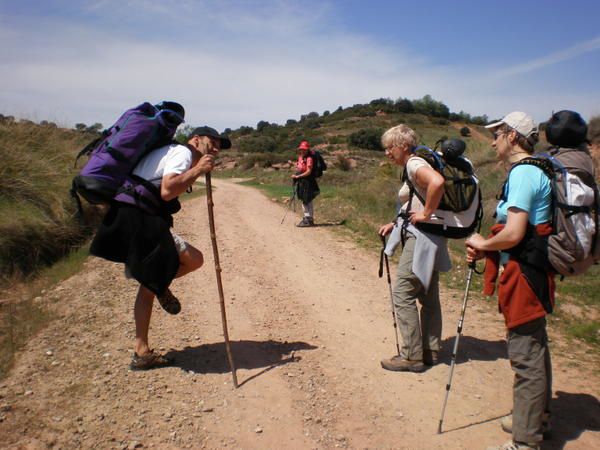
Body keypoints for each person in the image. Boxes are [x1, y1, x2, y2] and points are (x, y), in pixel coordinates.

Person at [90, 126, 231, 370]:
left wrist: (197, 170)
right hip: (138, 217)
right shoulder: (182, 153)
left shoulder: (176, 153)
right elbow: (167, 191)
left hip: (132, 215)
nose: (217, 148)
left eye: (220, 145)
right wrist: (198, 169)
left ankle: (142, 348)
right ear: (196, 139)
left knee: (153, 283)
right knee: (193, 260)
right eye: (213, 142)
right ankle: (158, 287)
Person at [465, 112, 553, 450]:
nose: (492, 140)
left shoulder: (525, 174)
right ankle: (536, 418)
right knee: (535, 346)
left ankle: (525, 441)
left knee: (525, 355)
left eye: (498, 134)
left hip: (524, 271)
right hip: (532, 268)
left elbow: (515, 233)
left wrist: (482, 244)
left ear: (513, 136)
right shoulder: (536, 169)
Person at [378, 124, 450, 372]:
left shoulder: (413, 163)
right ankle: (430, 350)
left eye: (390, 147)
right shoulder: (419, 163)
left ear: (403, 146)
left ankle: (411, 355)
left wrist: (426, 214)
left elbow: (437, 183)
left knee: (402, 293)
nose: (387, 153)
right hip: (433, 238)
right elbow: (416, 200)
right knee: (429, 295)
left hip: (421, 238)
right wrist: (396, 222)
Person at [292, 140, 320, 227]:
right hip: (303, 181)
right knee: (307, 201)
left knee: (306, 201)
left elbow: (308, 171)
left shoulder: (309, 158)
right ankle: (309, 219)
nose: (302, 150)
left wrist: (298, 176)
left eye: (304, 149)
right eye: (301, 149)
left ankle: (307, 219)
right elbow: (299, 168)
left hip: (307, 182)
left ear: (307, 150)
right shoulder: (301, 157)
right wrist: (296, 174)